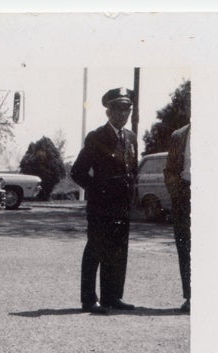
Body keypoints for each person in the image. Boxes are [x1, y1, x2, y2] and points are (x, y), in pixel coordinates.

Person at [70, 87, 140, 314]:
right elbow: (78, 172)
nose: (123, 114)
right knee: (96, 250)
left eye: (127, 109)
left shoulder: (131, 138)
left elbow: (132, 170)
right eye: (118, 109)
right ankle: (89, 299)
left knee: (118, 251)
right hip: (101, 206)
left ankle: (112, 297)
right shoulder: (96, 137)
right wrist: (99, 191)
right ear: (108, 112)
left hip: (122, 206)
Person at [164, 123, 191, 313]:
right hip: (185, 194)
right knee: (185, 247)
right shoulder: (178, 135)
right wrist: (177, 194)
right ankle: (190, 296)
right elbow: (170, 170)